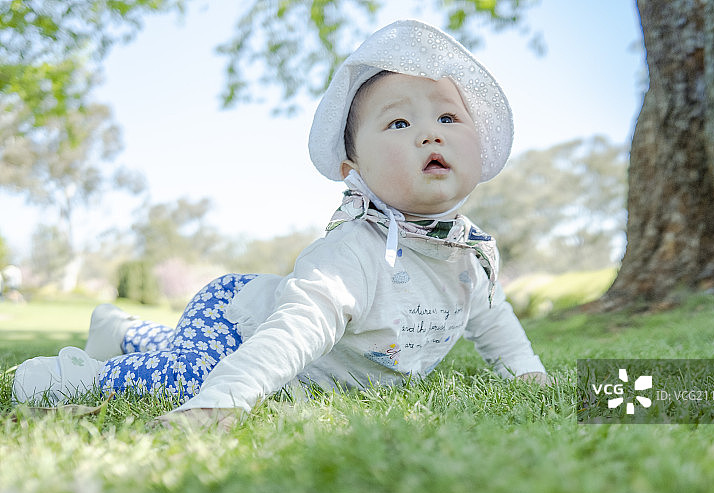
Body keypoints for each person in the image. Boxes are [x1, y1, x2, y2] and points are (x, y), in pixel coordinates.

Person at [11, 20, 549, 429]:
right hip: (241, 318)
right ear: (352, 165)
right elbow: (292, 334)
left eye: (448, 118)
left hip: (253, 317)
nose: (430, 134)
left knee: (180, 348)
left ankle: (122, 331)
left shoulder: (470, 254)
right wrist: (223, 403)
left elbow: (491, 315)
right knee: (186, 374)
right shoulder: (353, 252)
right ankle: (65, 378)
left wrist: (526, 373)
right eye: (400, 122)